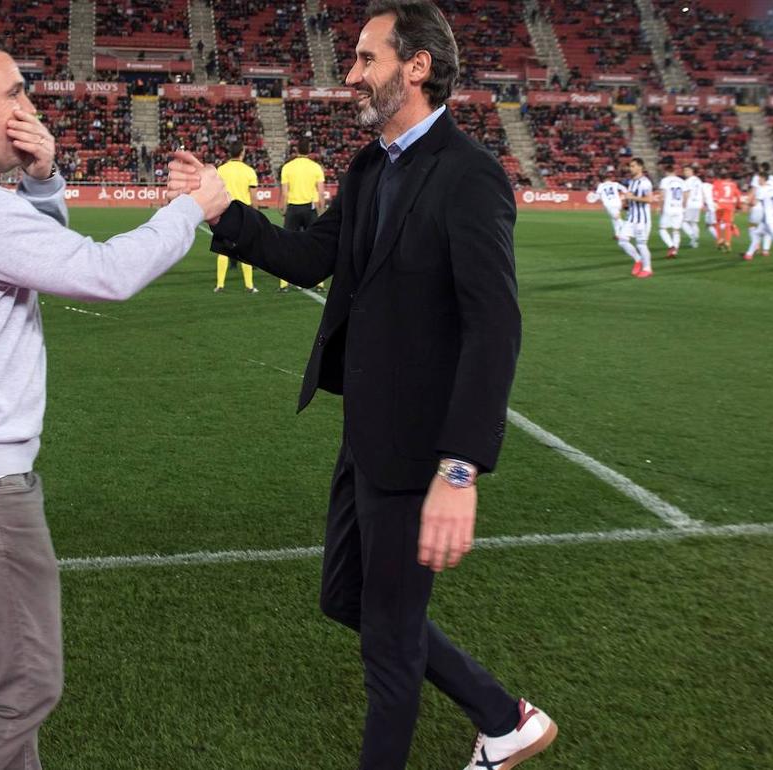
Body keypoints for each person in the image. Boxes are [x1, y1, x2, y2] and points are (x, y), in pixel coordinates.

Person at [168, 3, 556, 769]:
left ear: (416, 66)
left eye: (366, 58)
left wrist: (459, 468)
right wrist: (224, 210)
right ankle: (503, 718)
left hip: (421, 451)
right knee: (344, 599)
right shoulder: (372, 164)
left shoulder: (470, 175)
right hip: (368, 437)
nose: (349, 73)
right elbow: (311, 258)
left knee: (388, 641)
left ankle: (494, 725)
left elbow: (494, 328)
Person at [0, 31, 228, 770]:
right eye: (16, 93)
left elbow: (29, 258)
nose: (32, 107)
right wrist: (191, 209)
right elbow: (102, 273)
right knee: (18, 692)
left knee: (6, 690)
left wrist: (41, 181)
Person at [278, 136, 327, 292]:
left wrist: (283, 209)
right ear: (309, 150)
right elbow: (320, 193)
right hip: (310, 209)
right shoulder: (315, 167)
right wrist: (321, 210)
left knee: (286, 245)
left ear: (296, 150)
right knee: (315, 246)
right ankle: (319, 283)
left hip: (293, 207)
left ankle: (284, 284)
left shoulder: (288, 167)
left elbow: (285, 193)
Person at [213, 140, 259, 293]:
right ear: (242, 153)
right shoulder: (249, 171)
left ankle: (220, 285)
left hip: (225, 211)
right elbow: (253, 198)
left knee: (223, 249)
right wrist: (256, 214)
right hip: (243, 213)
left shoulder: (221, 170)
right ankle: (249, 286)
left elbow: (215, 192)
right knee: (245, 249)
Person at [623, 157, 655, 277]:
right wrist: (626, 203)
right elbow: (631, 197)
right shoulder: (631, 182)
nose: (631, 168)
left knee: (641, 244)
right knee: (622, 240)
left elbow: (649, 199)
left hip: (642, 220)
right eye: (630, 166)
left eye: (633, 166)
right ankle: (638, 260)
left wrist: (633, 198)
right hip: (631, 218)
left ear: (640, 167)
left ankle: (647, 268)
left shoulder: (645, 182)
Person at [656, 161, 685, 259]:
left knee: (662, 229)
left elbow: (662, 195)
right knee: (676, 230)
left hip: (669, 207)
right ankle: (675, 251)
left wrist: (660, 207)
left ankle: (671, 246)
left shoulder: (665, 180)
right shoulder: (681, 181)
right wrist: (683, 206)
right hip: (679, 208)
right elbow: (686, 195)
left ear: (666, 172)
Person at [711, 174, 741, 252]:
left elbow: (714, 193)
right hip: (729, 205)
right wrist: (738, 206)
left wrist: (715, 202)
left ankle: (720, 239)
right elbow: (738, 196)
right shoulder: (733, 184)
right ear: (729, 178)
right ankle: (727, 242)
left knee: (718, 222)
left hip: (719, 205)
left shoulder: (717, 183)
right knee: (727, 224)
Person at [680, 164, 704, 248]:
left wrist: (683, 204)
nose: (685, 172)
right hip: (698, 203)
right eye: (684, 170)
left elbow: (687, 193)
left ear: (692, 171)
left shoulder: (688, 181)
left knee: (682, 222)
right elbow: (702, 192)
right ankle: (694, 242)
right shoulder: (698, 180)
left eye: (687, 170)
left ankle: (693, 236)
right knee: (693, 222)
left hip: (690, 203)